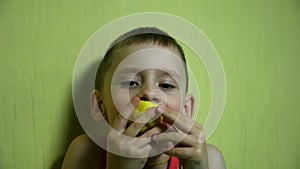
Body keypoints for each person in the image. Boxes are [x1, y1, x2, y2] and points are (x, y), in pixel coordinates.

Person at [62, 27, 226, 169]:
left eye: (166, 85)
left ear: (186, 109)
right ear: (100, 106)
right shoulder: (85, 153)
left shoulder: (208, 159)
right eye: (131, 82)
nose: (149, 93)